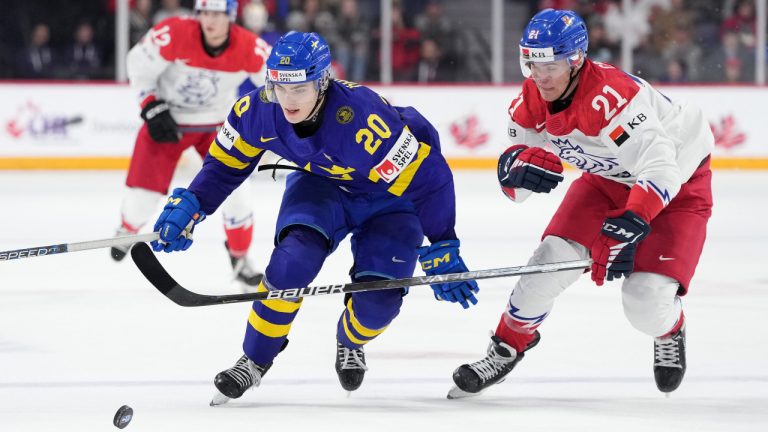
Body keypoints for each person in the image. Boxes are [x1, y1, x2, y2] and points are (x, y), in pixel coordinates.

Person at [150, 31, 479, 404]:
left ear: (323, 82)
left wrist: (444, 243)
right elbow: (225, 166)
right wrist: (192, 204)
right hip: (322, 187)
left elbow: (431, 179)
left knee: (378, 305)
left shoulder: (363, 121)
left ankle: (350, 341)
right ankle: (255, 360)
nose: (288, 101)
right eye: (279, 87)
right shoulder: (257, 109)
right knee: (291, 263)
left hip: (391, 200)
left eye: (299, 89)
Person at [449, 9, 713, 398]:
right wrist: (514, 169)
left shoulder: (610, 98)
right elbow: (517, 188)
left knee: (643, 301)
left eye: (550, 65)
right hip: (607, 180)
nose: (539, 77)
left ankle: (669, 327)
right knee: (547, 261)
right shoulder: (531, 99)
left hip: (678, 186)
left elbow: (661, 166)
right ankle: (508, 347)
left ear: (576, 59)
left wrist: (634, 218)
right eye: (531, 64)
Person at [111, 0, 272, 290]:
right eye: (205, 13)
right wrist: (150, 104)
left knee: (238, 191)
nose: (209, 20)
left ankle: (240, 258)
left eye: (217, 14)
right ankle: (128, 227)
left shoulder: (250, 47)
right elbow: (137, 62)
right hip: (167, 120)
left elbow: (275, 86)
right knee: (142, 200)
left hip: (216, 125)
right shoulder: (174, 32)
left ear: (231, 17)